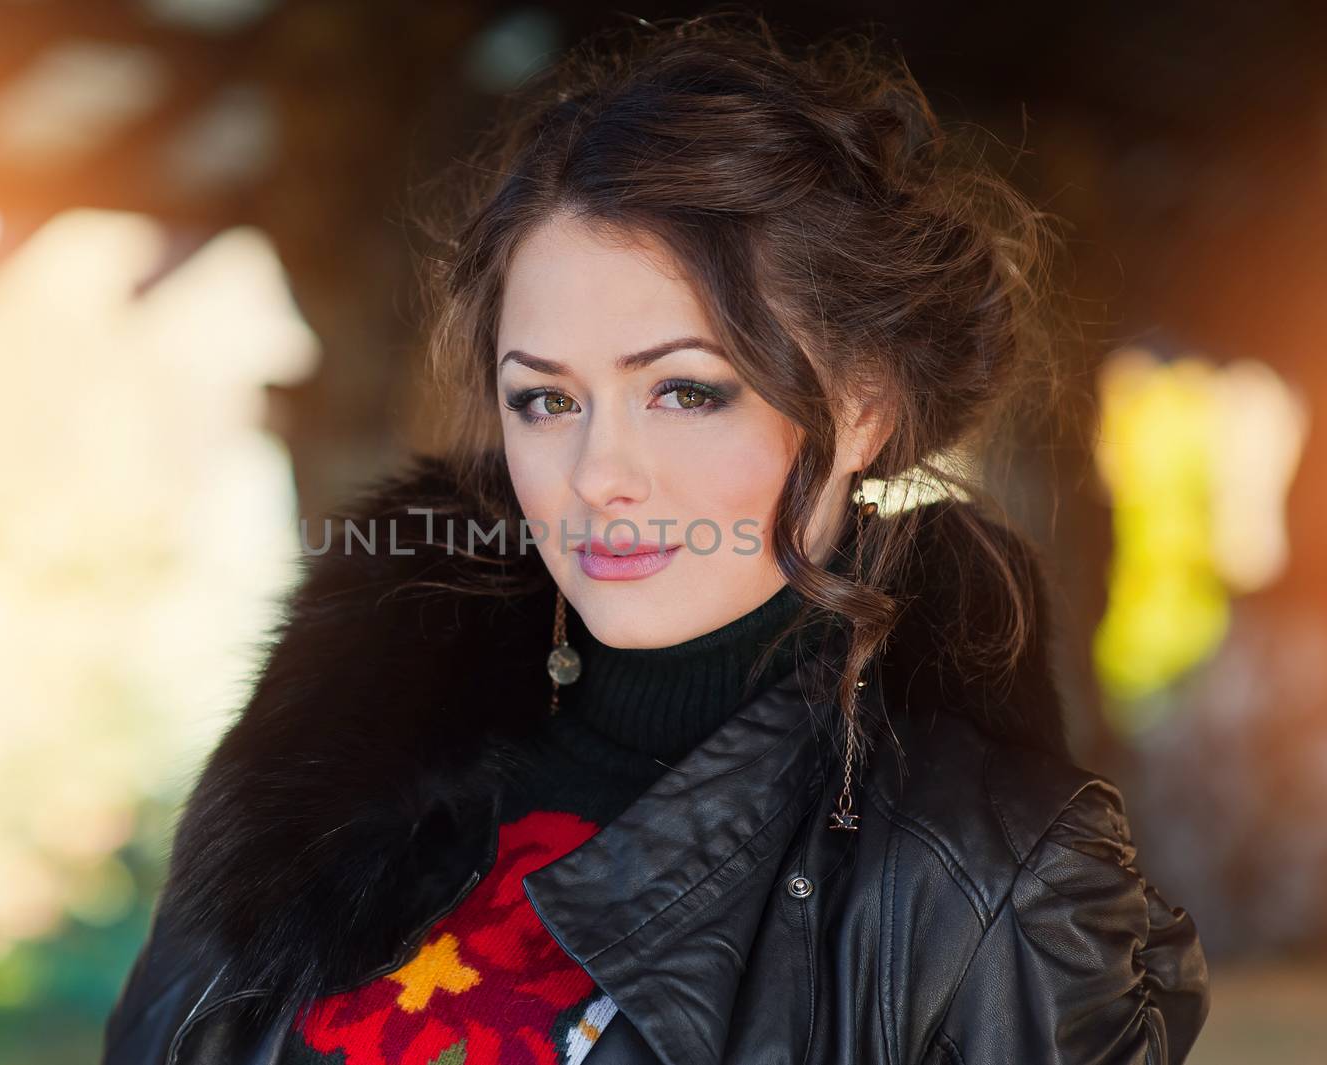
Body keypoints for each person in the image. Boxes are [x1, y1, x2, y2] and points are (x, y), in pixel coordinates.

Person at [101, 14, 1211, 1065]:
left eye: (685, 392)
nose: (598, 477)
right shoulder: (326, 776)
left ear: (863, 406)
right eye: (545, 401)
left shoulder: (985, 892)